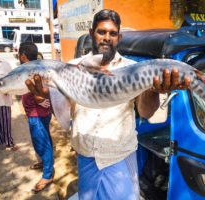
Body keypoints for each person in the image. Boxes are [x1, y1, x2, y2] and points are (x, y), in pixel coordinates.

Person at [25, 9, 190, 199]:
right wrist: (46, 96)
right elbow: (65, 108)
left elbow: (145, 112)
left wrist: (152, 91)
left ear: (118, 37)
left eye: (112, 33)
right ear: (91, 34)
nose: (106, 37)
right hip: (85, 155)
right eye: (101, 32)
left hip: (119, 156)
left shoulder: (133, 69)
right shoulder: (72, 68)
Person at [18, 42, 54, 193]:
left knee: (42, 143)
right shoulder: (37, 67)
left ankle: (48, 175)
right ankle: (45, 163)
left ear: (23, 56)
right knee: (44, 139)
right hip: (39, 113)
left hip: (37, 114)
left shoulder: (31, 71)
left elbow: (41, 92)